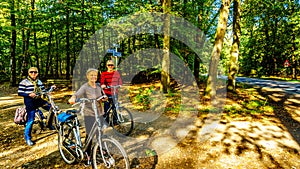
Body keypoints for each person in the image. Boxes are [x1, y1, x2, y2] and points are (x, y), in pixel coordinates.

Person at [68, 68, 107, 166]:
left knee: (100, 132)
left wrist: (104, 98)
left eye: (95, 75)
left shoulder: (98, 86)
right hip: (89, 114)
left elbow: (103, 95)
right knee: (90, 135)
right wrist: (73, 98)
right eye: (91, 75)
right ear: (87, 76)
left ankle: (99, 149)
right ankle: (88, 154)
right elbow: (76, 94)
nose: (94, 77)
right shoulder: (85, 87)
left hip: (99, 113)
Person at [18, 67, 55, 146]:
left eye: (35, 72)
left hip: (39, 100)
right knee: (31, 120)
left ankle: (49, 124)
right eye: (31, 72)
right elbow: (20, 92)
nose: (33, 74)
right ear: (28, 73)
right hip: (30, 102)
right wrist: (28, 94)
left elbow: (43, 90)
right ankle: (28, 138)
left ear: (37, 73)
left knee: (52, 108)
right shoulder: (24, 82)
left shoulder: (39, 81)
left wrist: (50, 88)